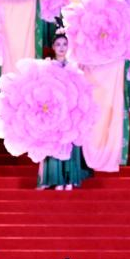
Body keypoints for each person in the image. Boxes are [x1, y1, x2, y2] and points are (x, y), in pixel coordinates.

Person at [38, 23, 92, 191]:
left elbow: (82, 89)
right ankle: (54, 178)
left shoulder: (74, 67)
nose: (62, 48)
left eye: (65, 44)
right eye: (58, 44)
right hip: (53, 111)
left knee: (69, 143)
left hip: (70, 111)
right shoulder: (47, 67)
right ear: (53, 47)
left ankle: (70, 178)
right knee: (53, 143)